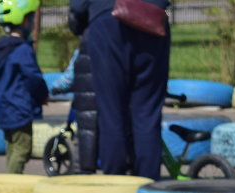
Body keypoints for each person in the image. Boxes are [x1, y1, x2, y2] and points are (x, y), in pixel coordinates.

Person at [69, 0, 170, 179]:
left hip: (108, 21)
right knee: (147, 113)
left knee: (111, 111)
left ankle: (115, 184)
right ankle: (148, 184)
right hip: (151, 17)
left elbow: (78, 6)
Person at [0, 0, 50, 174]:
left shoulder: (0, 48)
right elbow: (33, 77)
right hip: (19, 106)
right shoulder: (21, 49)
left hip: (3, 106)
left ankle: (11, 180)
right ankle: (11, 185)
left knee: (12, 147)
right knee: (23, 148)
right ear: (24, 21)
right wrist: (42, 96)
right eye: (30, 18)